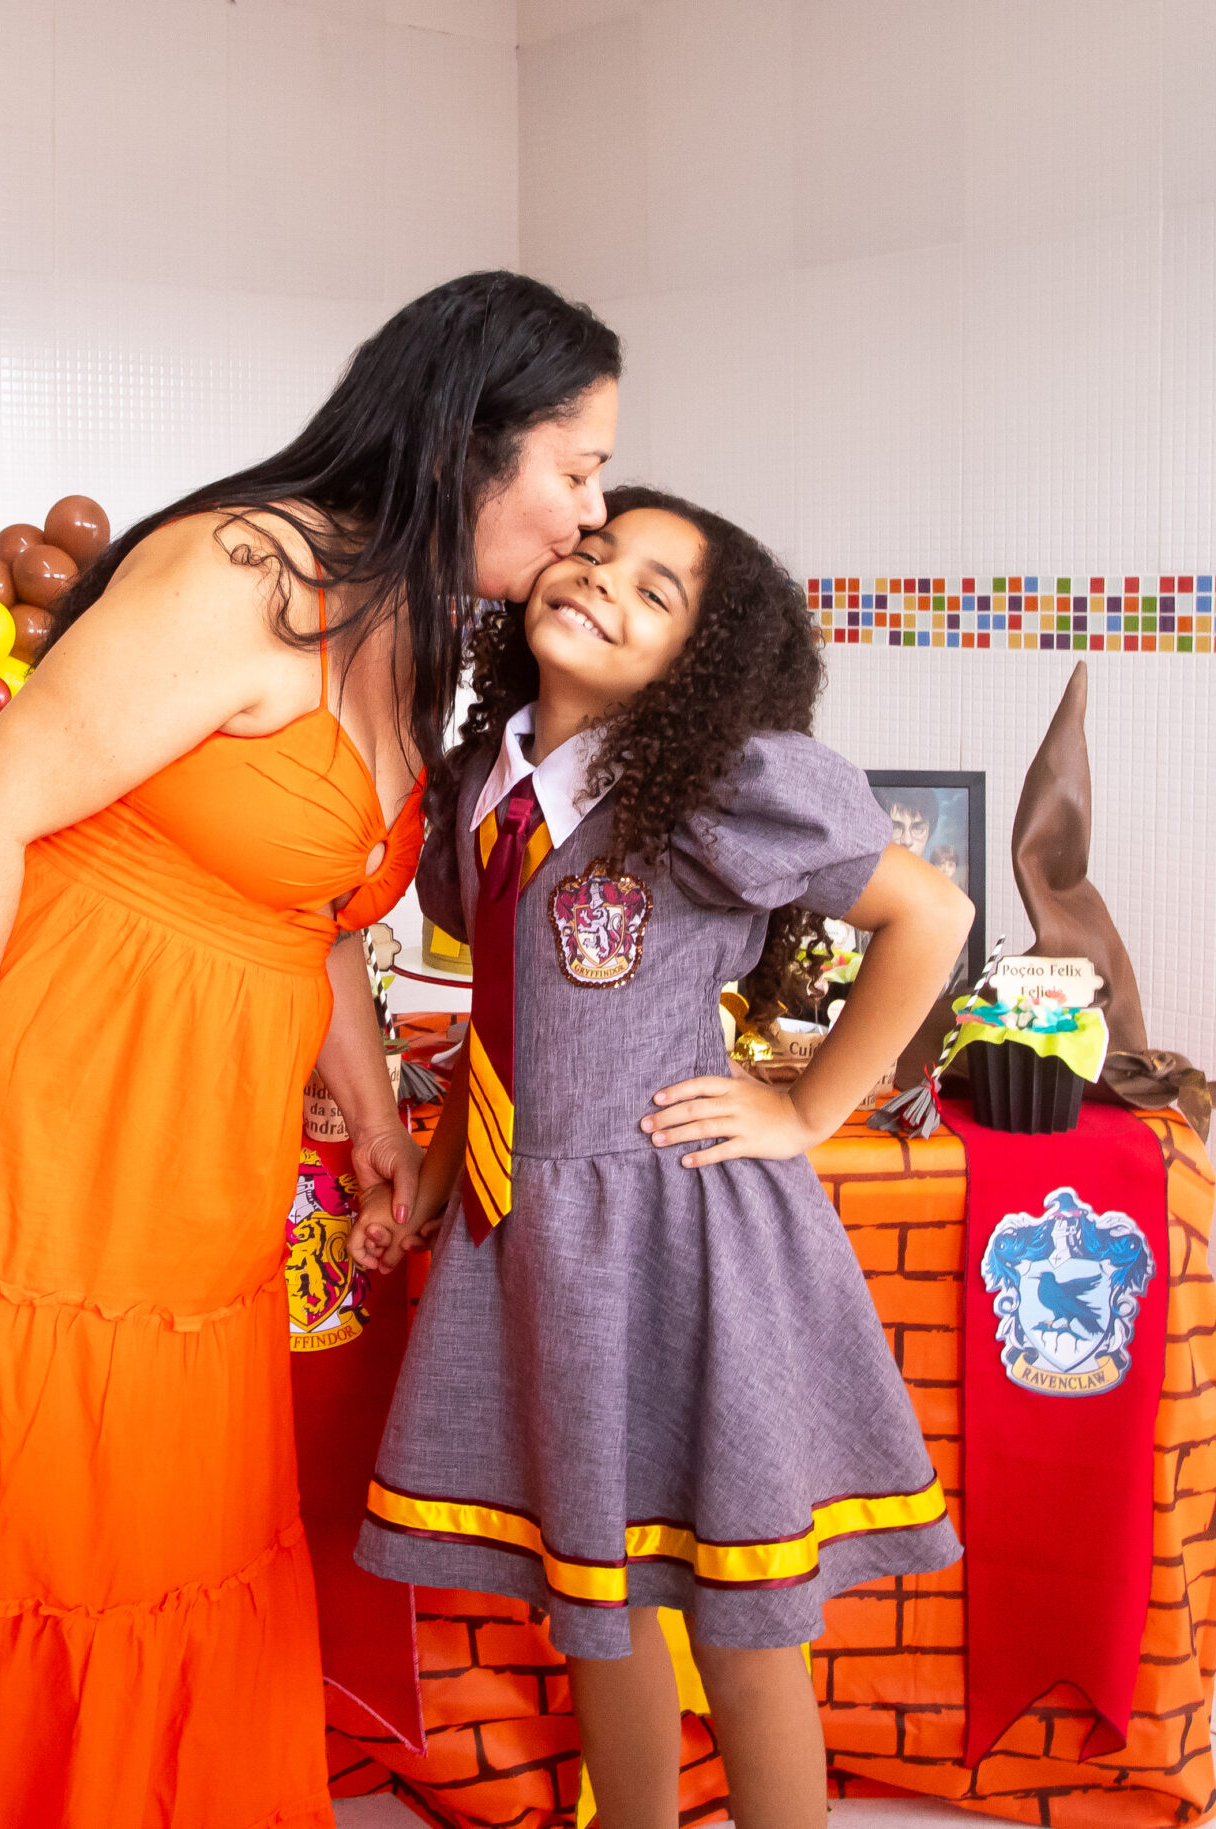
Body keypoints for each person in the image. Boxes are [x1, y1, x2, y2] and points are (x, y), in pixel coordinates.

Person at [0, 272, 621, 1829]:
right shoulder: (245, 572)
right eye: (577, 469)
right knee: (20, 1527)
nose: (590, 514)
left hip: (186, 1144)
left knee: (152, 1534)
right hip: (24, 1101)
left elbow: (314, 911)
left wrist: (374, 1120)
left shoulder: (409, 625)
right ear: (473, 440)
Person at [349, 488, 971, 1829]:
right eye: (595, 552)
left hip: (674, 1232)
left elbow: (932, 911)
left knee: (741, 1615)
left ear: (699, 663)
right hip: (535, 1235)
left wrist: (806, 1110)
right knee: (597, 1602)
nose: (601, 584)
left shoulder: (711, 790)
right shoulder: (482, 786)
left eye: (654, 592)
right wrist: (447, 1167)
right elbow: (510, 1008)